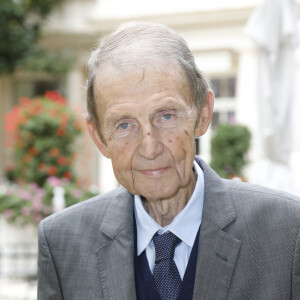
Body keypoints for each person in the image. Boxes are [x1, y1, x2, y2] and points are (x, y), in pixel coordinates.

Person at [38, 22, 300, 300]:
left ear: (202, 114)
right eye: (124, 124)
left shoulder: (287, 232)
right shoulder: (61, 244)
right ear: (100, 137)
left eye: (166, 116)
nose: (149, 148)